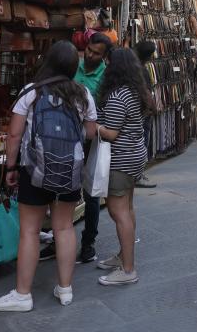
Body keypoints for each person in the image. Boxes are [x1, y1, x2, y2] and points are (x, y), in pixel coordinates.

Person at [0, 41, 98, 311]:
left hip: (33, 169)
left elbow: (14, 135)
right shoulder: (83, 94)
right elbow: (90, 132)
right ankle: (65, 289)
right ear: (75, 66)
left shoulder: (31, 92)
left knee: (29, 230)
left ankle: (23, 294)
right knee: (64, 227)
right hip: (70, 170)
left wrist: (11, 168)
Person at [94, 48, 149, 286]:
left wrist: (94, 127)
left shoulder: (118, 96)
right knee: (127, 208)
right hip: (135, 156)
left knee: (119, 213)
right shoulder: (135, 91)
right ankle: (122, 257)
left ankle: (128, 270)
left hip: (121, 159)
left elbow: (111, 133)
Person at [73, 32, 111, 264]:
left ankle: (88, 243)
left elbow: (104, 113)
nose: (89, 54)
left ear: (104, 56)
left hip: (90, 140)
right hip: (67, 138)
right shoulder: (73, 66)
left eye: (96, 53)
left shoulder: (105, 78)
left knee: (91, 192)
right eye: (88, 49)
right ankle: (60, 240)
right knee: (65, 190)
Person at [133, 40, 158, 189]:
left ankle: (136, 174)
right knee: (142, 143)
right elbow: (146, 92)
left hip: (137, 111)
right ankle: (138, 175)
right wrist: (153, 108)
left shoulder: (133, 67)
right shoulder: (141, 70)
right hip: (143, 111)